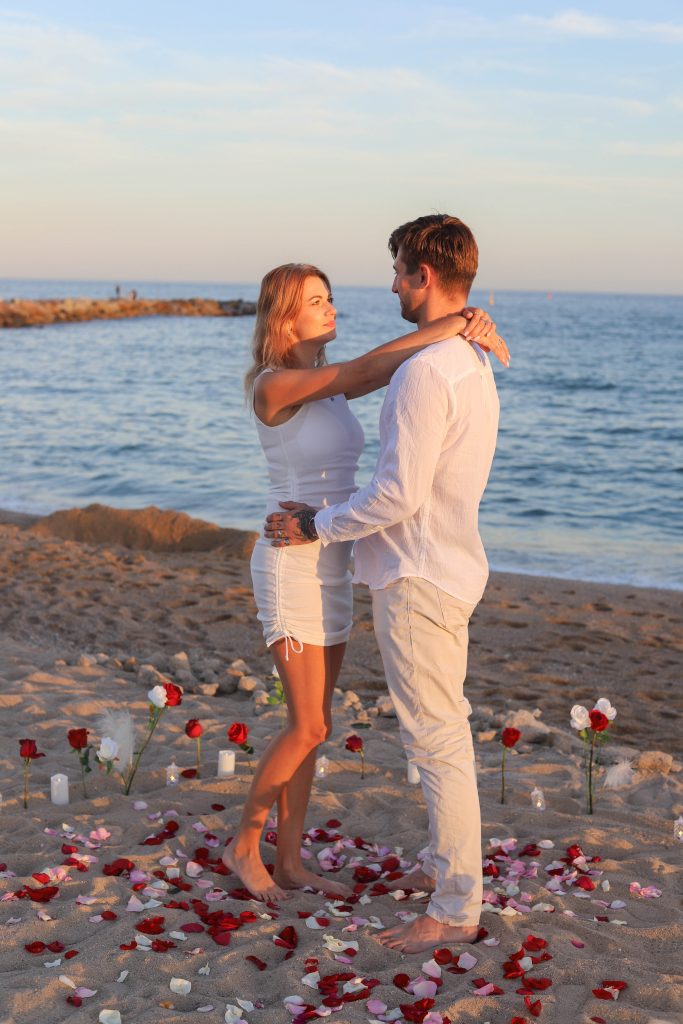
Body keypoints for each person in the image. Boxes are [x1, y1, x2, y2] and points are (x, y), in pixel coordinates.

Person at [222, 260, 508, 903]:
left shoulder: (324, 387)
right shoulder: (276, 385)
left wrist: (457, 328)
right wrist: (458, 321)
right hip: (290, 559)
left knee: (315, 723)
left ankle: (290, 861)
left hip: (332, 556)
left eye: (329, 297)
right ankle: (244, 845)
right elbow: (369, 369)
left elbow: (378, 370)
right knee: (307, 727)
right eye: (315, 300)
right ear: (282, 316)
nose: (331, 308)